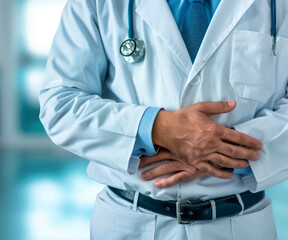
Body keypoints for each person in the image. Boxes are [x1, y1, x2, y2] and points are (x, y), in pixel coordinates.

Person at [39, 0, 288, 239]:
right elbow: (60, 105)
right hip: (129, 221)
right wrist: (157, 128)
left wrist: (218, 150)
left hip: (241, 224)